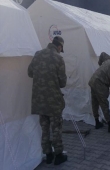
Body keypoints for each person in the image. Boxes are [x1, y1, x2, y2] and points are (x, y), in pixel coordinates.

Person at [27, 36, 68, 165]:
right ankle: (58, 155)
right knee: (56, 128)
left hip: (39, 100)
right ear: (59, 47)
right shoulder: (59, 58)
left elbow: (29, 73)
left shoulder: (38, 54)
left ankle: (48, 155)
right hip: (54, 101)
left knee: (44, 129)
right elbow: (62, 83)